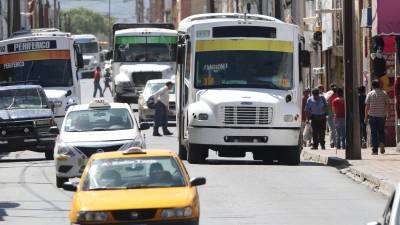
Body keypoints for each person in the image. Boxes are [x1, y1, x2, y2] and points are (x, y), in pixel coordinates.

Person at [365, 79, 390, 155]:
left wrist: (366, 117)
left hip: (372, 116)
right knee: (381, 131)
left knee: (374, 133)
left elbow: (367, 106)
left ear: (372, 86)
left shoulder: (370, 94)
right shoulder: (384, 93)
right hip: (381, 116)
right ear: (379, 85)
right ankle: (382, 143)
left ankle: (375, 150)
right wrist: (387, 113)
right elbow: (387, 104)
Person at [324, 83, 338, 148]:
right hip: (334, 113)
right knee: (334, 129)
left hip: (330, 113)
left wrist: (326, 114)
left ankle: (333, 142)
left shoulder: (328, 95)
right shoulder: (336, 96)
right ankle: (334, 142)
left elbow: (326, 105)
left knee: (332, 129)